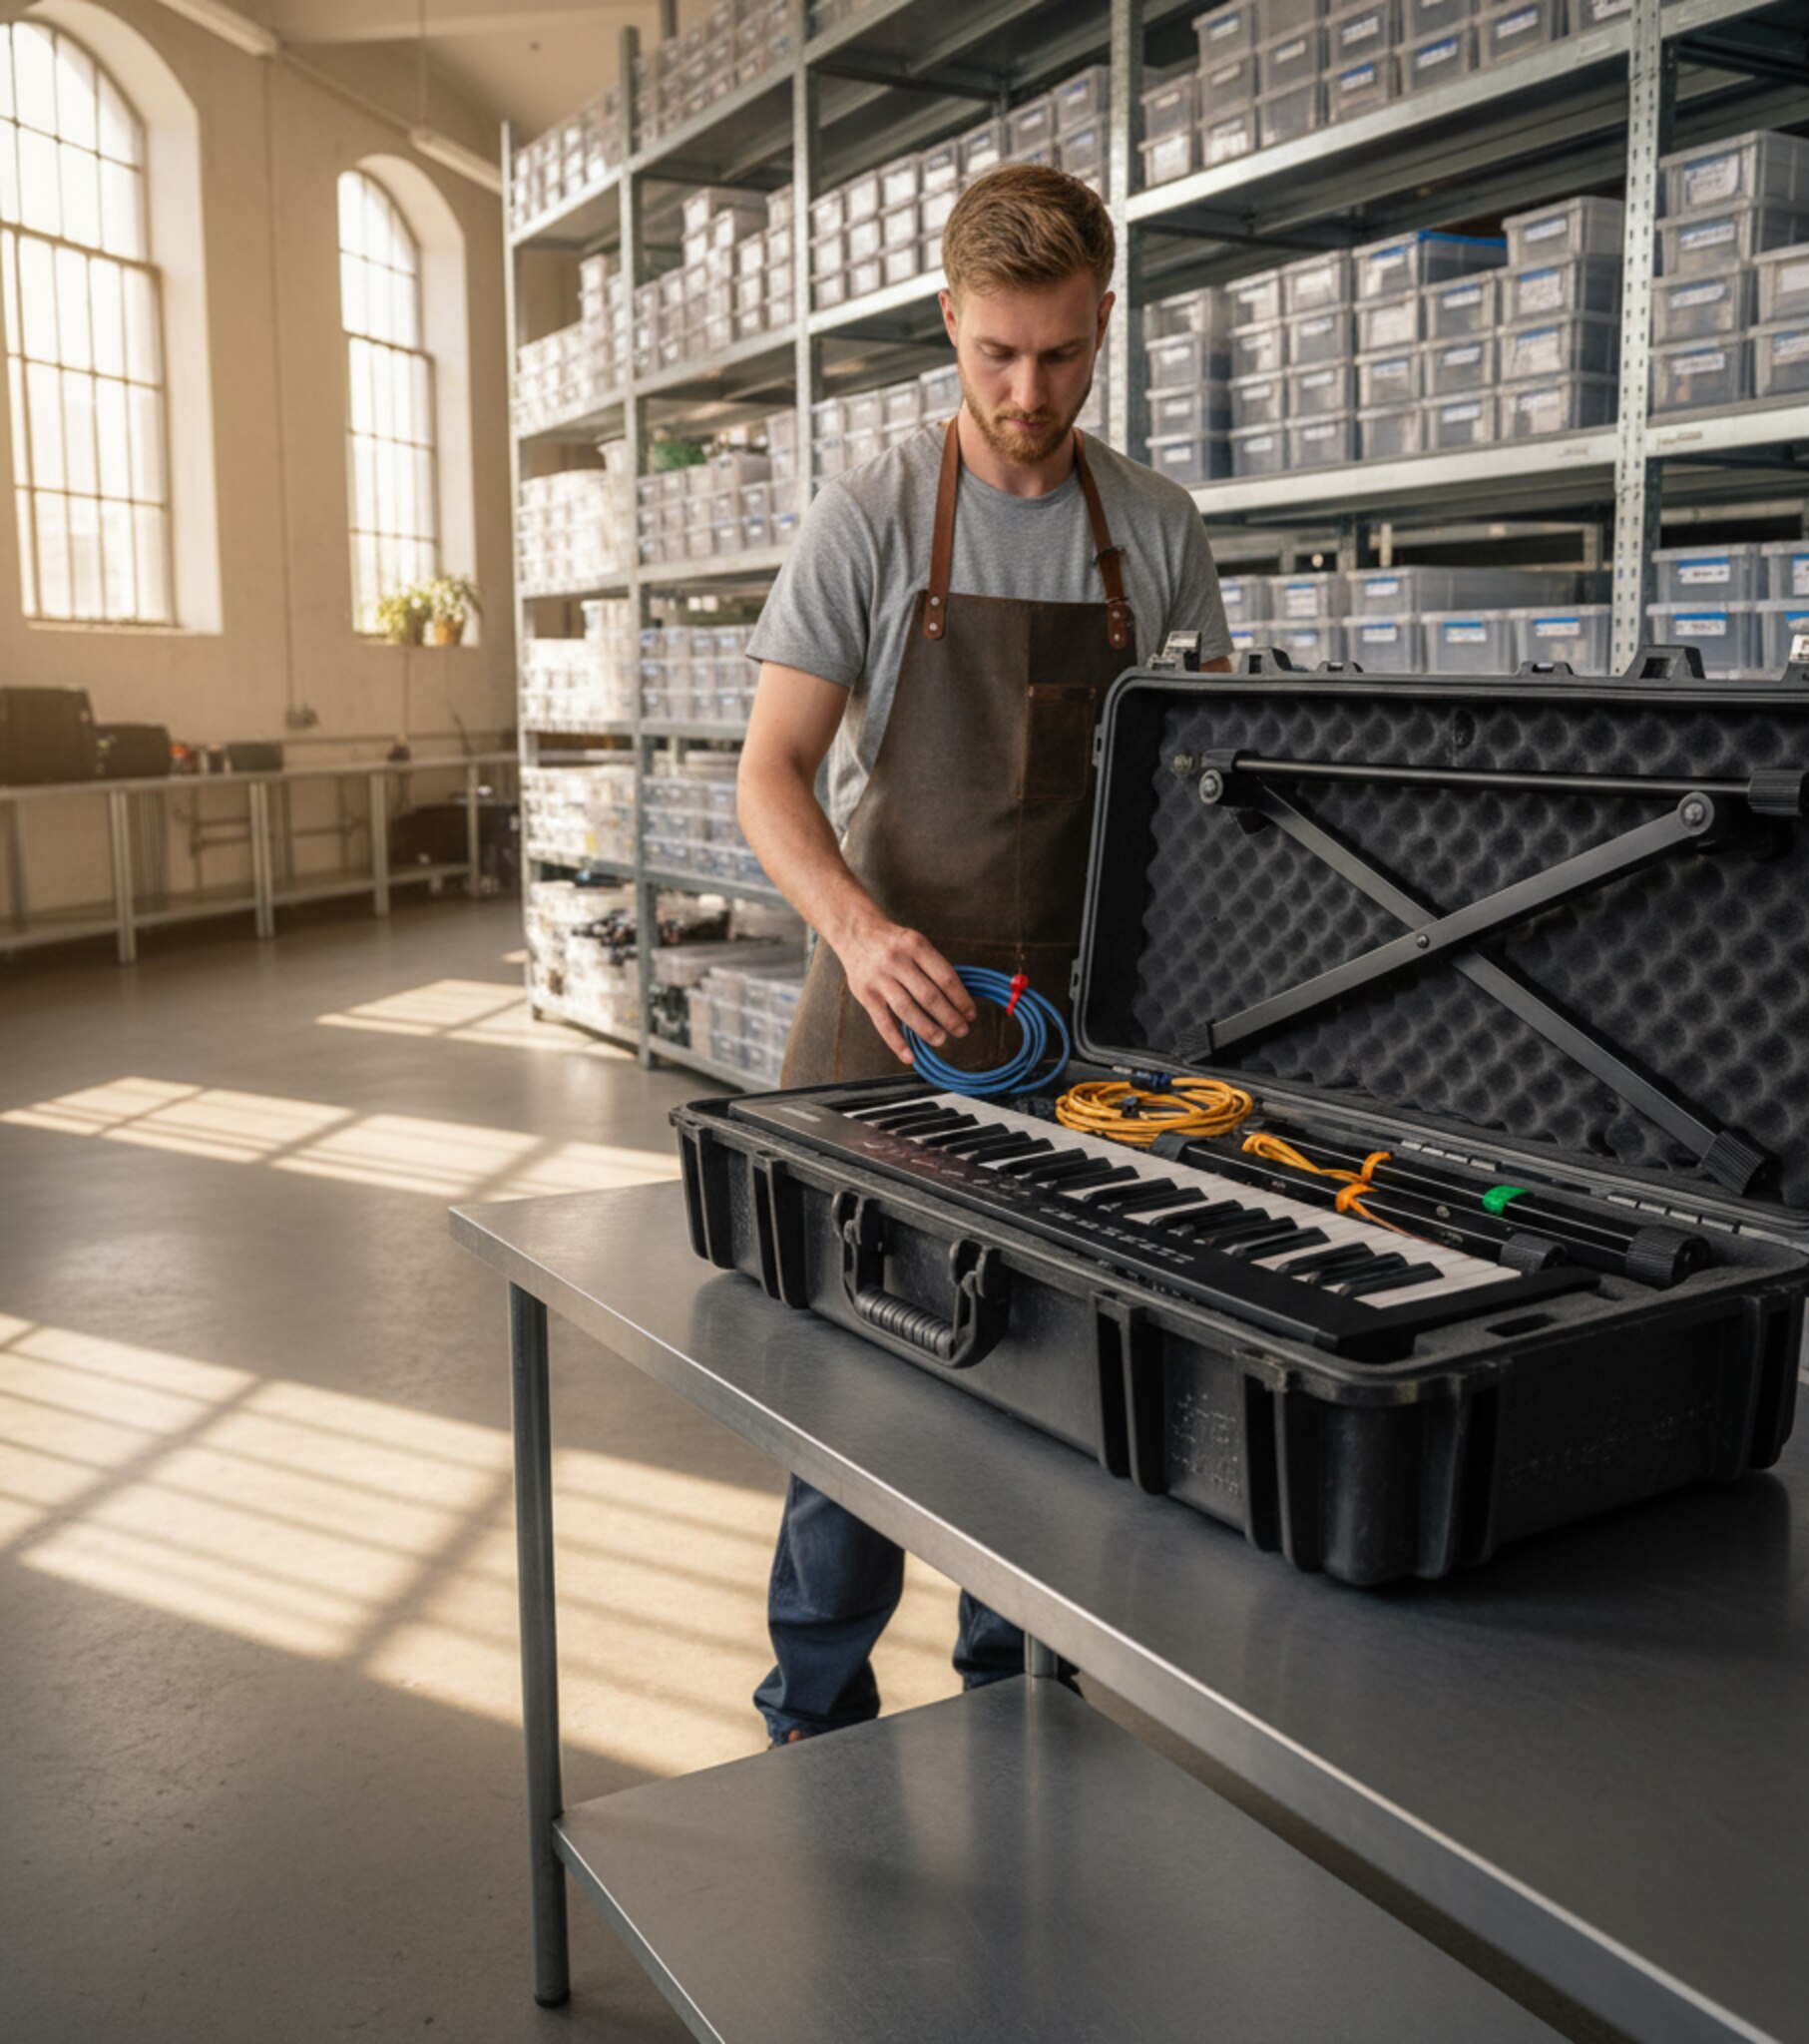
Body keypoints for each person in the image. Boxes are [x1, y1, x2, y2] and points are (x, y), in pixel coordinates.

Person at [736, 162, 1232, 1747]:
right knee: (859, 1410)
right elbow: (768, 776)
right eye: (998, 353)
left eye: (1065, 355)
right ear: (948, 321)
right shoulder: (871, 511)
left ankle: (1019, 1723)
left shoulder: (1152, 530)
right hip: (888, 1033)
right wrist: (862, 930)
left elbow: (1206, 791)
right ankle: (813, 1724)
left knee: (1051, 1409)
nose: (1029, 394)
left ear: (1105, 329)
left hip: (1079, 1049)